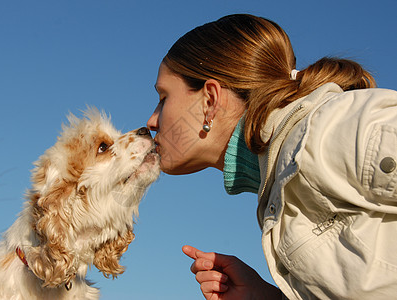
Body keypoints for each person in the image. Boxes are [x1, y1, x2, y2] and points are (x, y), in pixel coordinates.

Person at [146, 14, 397, 300]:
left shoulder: (329, 129)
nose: (152, 120)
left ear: (210, 101)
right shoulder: (278, 188)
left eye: (163, 97)